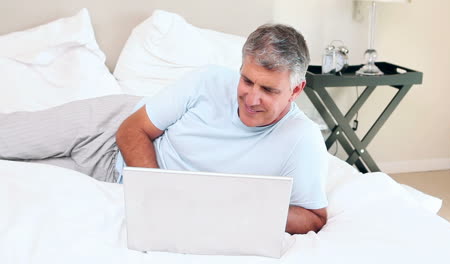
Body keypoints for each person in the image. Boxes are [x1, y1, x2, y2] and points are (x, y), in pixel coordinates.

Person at [0, 24, 328, 234]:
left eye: (269, 90)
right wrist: (161, 193)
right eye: (246, 81)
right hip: (106, 129)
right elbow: (132, 129)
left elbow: (313, 217)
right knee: (8, 138)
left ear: (296, 90)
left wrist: (233, 206)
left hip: (117, 182)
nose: (251, 98)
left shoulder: (301, 138)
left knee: (16, 178)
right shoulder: (209, 80)